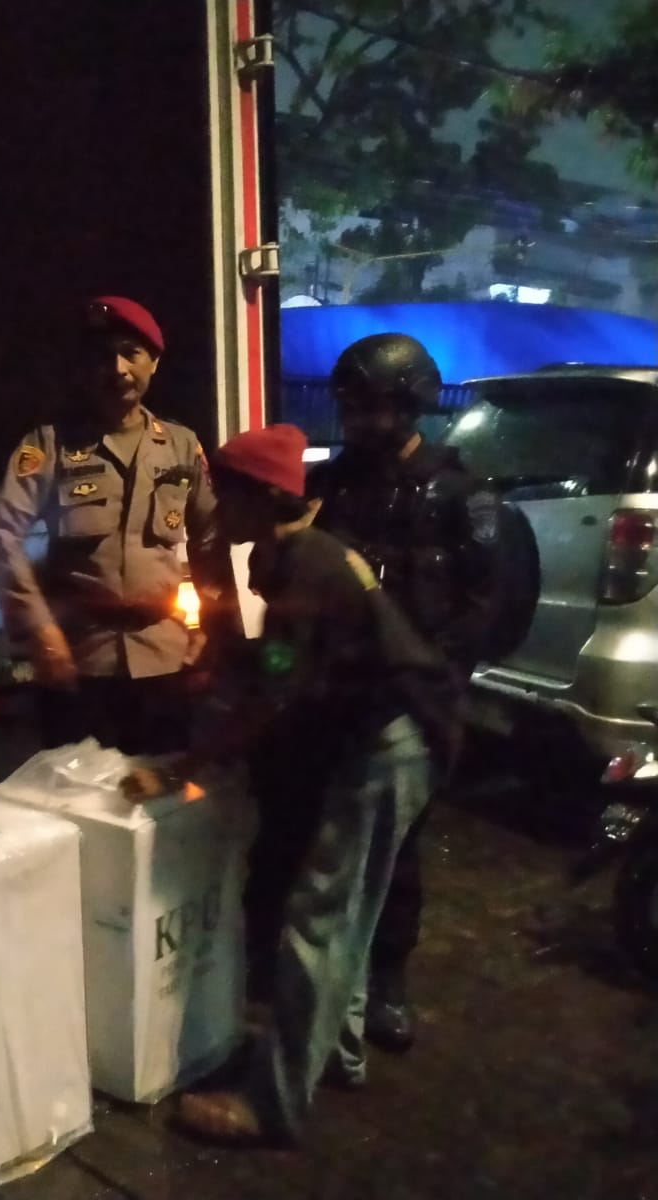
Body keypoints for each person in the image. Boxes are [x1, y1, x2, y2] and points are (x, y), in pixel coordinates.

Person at [128, 424, 449, 1146]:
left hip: (390, 744)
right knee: (349, 908)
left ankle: (273, 1105)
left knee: (318, 918)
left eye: (224, 493)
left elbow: (273, 697)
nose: (214, 507)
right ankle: (338, 1054)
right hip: (382, 736)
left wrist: (187, 764)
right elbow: (267, 659)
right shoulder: (283, 557)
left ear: (262, 498)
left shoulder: (310, 564)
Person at [300, 333, 497, 1050]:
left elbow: (484, 609)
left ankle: (387, 979)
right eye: (350, 406)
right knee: (320, 840)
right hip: (337, 692)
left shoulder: (459, 494)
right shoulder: (332, 484)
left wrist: (431, 680)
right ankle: (323, 982)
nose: (358, 420)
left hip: (412, 704)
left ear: (411, 404)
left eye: (373, 406)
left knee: (398, 853)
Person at [0, 296, 233, 754]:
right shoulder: (50, 444)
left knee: (161, 789)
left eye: (130, 353)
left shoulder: (181, 445)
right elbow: (1, 535)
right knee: (76, 792)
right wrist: (41, 630)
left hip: (165, 662)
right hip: (79, 663)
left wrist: (209, 627)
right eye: (102, 356)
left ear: (154, 362)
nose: (117, 368)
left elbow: (211, 538)